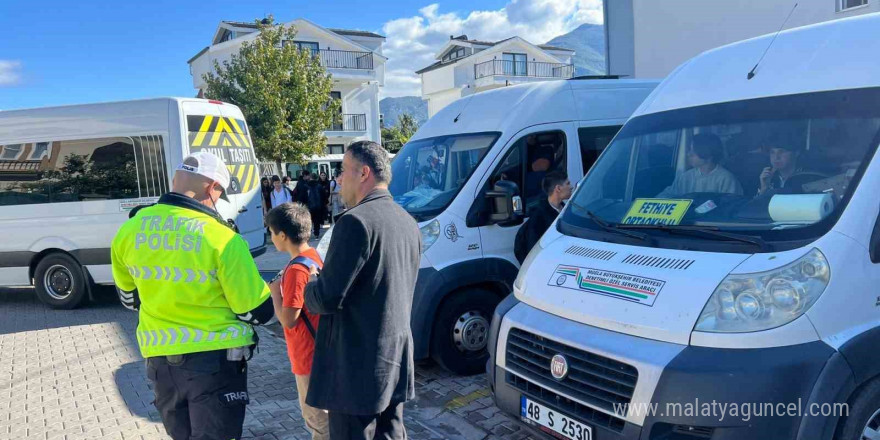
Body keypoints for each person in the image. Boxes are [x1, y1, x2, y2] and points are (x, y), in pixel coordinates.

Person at [111, 151, 274, 440]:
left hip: (161, 363)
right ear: (211, 187)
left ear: (176, 179)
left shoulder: (129, 230)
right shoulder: (222, 239)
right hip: (216, 364)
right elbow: (256, 311)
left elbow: (129, 300)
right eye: (219, 195)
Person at [304, 141, 420, 440]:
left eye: (343, 170)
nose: (339, 179)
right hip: (394, 358)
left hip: (355, 369)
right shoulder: (408, 222)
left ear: (364, 173)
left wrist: (311, 282)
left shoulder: (354, 222)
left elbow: (327, 298)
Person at [265, 202, 329, 440]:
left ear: (283, 235)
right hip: (322, 350)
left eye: (271, 233)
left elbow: (289, 320)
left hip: (307, 356)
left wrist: (275, 294)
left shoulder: (295, 270)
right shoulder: (313, 257)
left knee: (318, 421)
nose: (271, 238)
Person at [657, 133, 743, 197]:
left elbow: (732, 207)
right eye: (690, 150)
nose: (689, 154)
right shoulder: (686, 177)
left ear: (708, 154)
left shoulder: (727, 179)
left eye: (693, 151)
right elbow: (667, 195)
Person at [514, 171, 572, 264]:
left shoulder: (566, 210)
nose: (571, 187)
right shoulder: (538, 218)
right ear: (558, 188)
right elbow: (532, 251)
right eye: (568, 184)